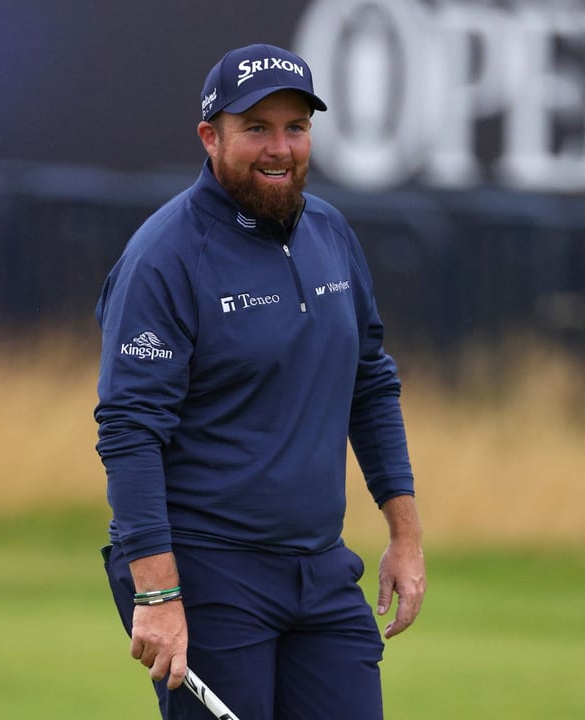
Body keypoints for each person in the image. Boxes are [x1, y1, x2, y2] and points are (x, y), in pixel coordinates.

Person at [95, 43, 426, 719]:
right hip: (210, 576)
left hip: (321, 571)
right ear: (210, 137)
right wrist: (156, 596)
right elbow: (130, 433)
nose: (280, 148)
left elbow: (370, 383)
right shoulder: (164, 258)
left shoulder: (332, 233)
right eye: (256, 128)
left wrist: (405, 534)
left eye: (296, 127)